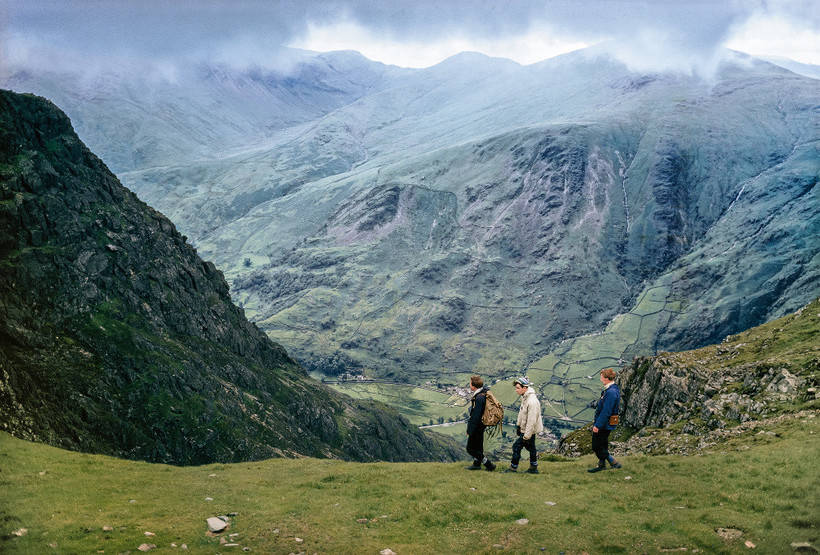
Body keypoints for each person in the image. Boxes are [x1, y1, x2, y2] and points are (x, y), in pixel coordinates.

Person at [505, 377, 544, 474]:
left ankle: (513, 468)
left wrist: (526, 435)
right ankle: (533, 468)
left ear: (525, 388)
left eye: (518, 388)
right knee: (531, 448)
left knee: (516, 447)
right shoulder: (525, 397)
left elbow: (531, 421)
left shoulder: (532, 401)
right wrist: (518, 426)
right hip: (526, 429)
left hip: (529, 430)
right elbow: (522, 413)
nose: (516, 390)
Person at [588, 368, 622, 473]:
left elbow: (606, 411)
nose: (600, 379)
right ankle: (601, 465)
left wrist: (597, 425)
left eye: (602, 377)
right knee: (602, 444)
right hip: (605, 423)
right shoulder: (611, 389)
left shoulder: (611, 392)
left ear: (607, 378)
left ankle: (614, 462)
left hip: (604, 424)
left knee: (596, 446)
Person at [465, 375, 496, 471]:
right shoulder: (484, 393)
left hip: (477, 426)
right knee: (478, 447)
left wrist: (470, 430)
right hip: (482, 425)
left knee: (470, 448)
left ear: (473, 386)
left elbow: (476, 416)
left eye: (470, 384)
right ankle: (476, 464)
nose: (469, 385)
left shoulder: (479, 398)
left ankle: (488, 464)